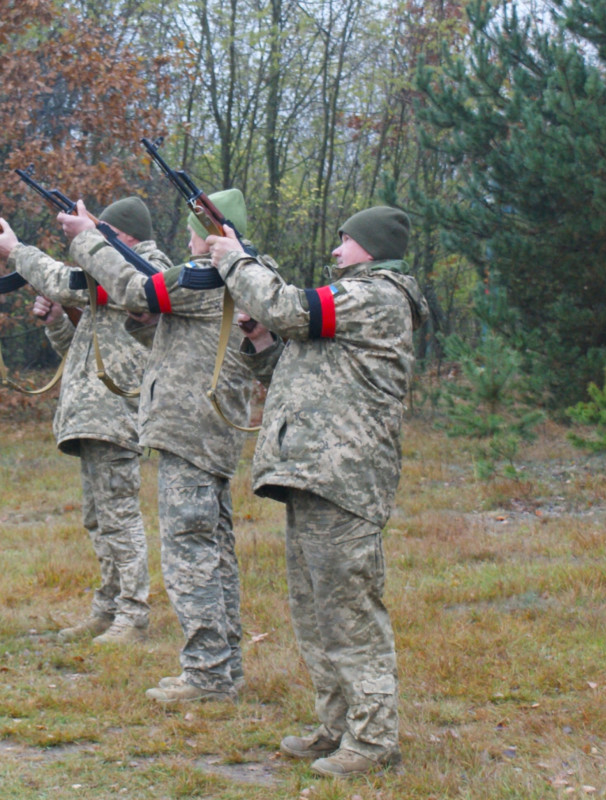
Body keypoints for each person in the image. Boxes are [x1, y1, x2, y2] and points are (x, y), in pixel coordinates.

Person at [205, 206, 428, 776]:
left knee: (350, 612)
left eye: (345, 241)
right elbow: (293, 368)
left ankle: (374, 741)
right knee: (315, 613)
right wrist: (258, 340)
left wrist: (236, 261)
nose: (335, 252)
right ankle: (337, 726)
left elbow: (289, 308)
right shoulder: (349, 303)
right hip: (311, 473)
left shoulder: (377, 296)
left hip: (344, 478)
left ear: (371, 248)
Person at [58, 190, 257, 703]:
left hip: (191, 429)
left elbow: (135, 289)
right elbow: (173, 337)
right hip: (202, 426)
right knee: (214, 552)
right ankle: (222, 668)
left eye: (196, 227)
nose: (188, 237)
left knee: (190, 553)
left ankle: (207, 675)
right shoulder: (240, 274)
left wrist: (86, 241)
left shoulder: (209, 272)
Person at [0, 197, 171, 644]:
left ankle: (133, 615)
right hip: (92, 413)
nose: (93, 237)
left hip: (116, 413)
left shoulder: (144, 267)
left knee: (120, 516)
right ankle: (107, 608)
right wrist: (55, 323)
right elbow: (81, 353)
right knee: (98, 518)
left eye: (101, 229)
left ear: (124, 235)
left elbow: (68, 283)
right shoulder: (107, 272)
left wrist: (16, 252)